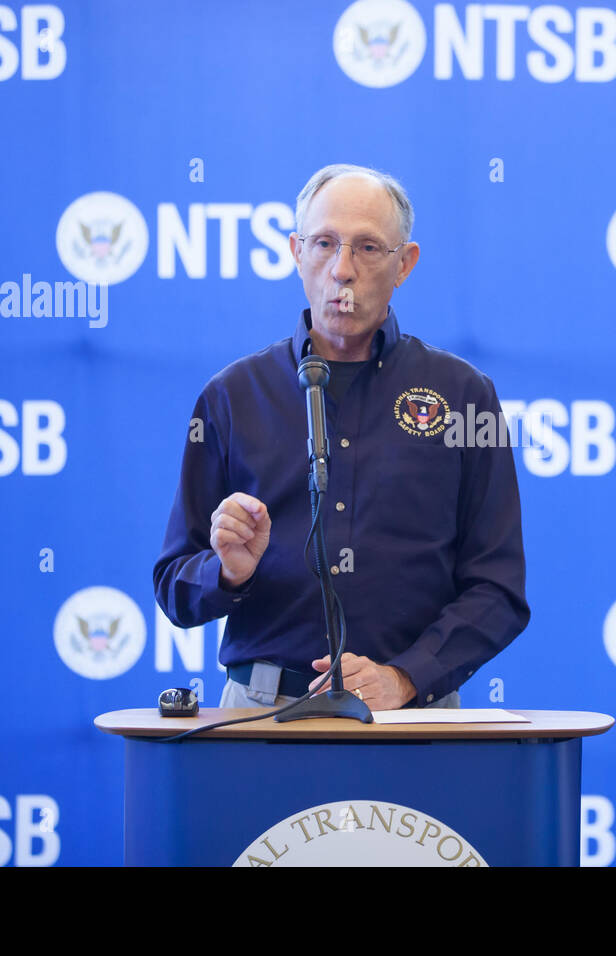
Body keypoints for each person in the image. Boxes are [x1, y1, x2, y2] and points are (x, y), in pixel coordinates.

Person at [153, 164, 529, 711]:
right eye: (324, 243)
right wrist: (228, 571)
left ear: (405, 264)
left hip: (415, 718)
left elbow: (499, 590)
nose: (342, 269)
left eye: (369, 247)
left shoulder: (465, 396)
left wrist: (406, 676)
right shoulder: (232, 396)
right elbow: (174, 586)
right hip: (261, 714)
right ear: (295, 252)